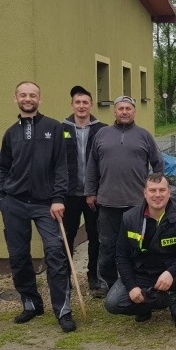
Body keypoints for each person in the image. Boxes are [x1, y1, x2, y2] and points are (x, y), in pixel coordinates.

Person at [0, 81, 76, 333]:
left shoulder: (54, 128)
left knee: (55, 253)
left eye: (32, 95)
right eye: (23, 95)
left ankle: (62, 310)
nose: (27, 98)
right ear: (15, 99)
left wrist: (58, 198)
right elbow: (2, 167)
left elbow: (61, 167)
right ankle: (30, 303)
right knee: (19, 257)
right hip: (15, 203)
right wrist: (2, 196)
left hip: (46, 204)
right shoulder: (10, 133)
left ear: (40, 99)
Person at [105, 173, 176, 330]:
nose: (157, 195)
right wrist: (131, 286)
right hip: (141, 273)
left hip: (171, 273)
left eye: (162, 190)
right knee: (112, 303)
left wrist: (171, 272)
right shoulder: (129, 218)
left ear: (169, 192)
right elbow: (121, 256)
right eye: (152, 190)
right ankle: (146, 305)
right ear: (145, 193)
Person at [85, 95, 163, 297]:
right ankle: (106, 284)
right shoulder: (102, 134)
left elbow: (158, 165)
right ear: (115, 111)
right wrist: (90, 192)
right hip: (108, 202)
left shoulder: (144, 136)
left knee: (138, 245)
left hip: (137, 203)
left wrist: (155, 192)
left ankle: (138, 281)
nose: (125, 112)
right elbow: (92, 166)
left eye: (128, 108)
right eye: (121, 108)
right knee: (107, 245)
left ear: (134, 111)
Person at [62, 85, 107, 291]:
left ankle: (93, 277)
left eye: (85, 102)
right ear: (72, 105)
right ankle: (65, 278)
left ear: (91, 105)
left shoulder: (102, 130)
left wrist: (95, 190)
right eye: (78, 102)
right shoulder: (60, 129)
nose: (81, 106)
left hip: (94, 195)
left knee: (95, 237)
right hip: (68, 194)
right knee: (67, 236)